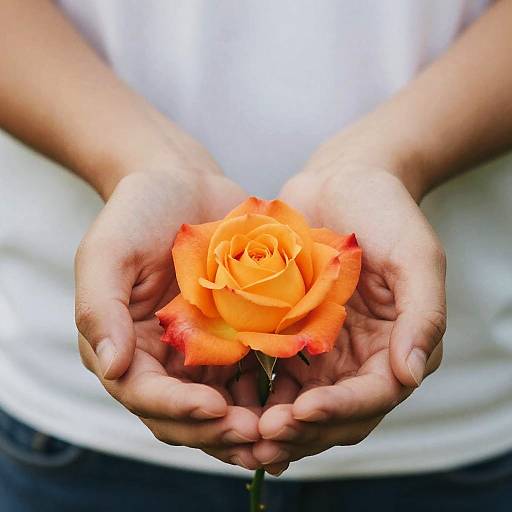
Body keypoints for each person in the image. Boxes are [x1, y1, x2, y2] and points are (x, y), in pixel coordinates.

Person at [0, 0, 511, 510]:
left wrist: (394, 158)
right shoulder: (198, 325)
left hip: (463, 422)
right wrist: (137, 160)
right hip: (72, 421)